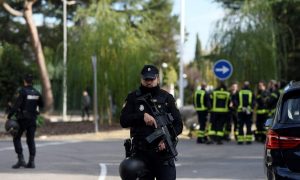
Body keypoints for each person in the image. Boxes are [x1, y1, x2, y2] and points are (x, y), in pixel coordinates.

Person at [120, 65, 183, 180]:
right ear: (141, 79)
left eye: (151, 79)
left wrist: (166, 139)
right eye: (146, 79)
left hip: (164, 155)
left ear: (157, 79)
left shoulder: (167, 98)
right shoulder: (133, 98)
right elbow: (123, 121)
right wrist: (141, 117)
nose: (149, 82)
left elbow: (179, 125)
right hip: (141, 155)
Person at [7, 74, 44, 169]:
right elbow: (42, 105)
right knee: (30, 140)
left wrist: (10, 115)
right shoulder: (37, 92)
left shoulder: (23, 92)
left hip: (22, 119)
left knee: (16, 137)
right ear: (32, 82)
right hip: (32, 119)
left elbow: (16, 105)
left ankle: (21, 160)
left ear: (24, 81)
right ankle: (31, 162)